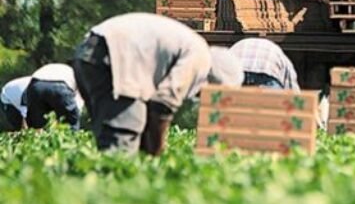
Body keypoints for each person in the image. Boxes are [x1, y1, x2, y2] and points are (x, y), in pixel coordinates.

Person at [72, 13, 243, 156]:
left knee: (111, 134)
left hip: (88, 52)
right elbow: (162, 105)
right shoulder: (201, 58)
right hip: (112, 55)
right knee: (123, 142)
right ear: (214, 81)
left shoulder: (190, 44)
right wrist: (157, 152)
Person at [23, 63, 84, 130]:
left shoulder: (66, 69)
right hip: (59, 86)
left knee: (37, 124)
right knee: (71, 122)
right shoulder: (78, 77)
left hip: (35, 85)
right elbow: (78, 104)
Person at [229, 37, 299, 90]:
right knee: (269, 107)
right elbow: (292, 93)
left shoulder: (238, 46)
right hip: (267, 69)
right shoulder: (281, 56)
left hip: (237, 66)